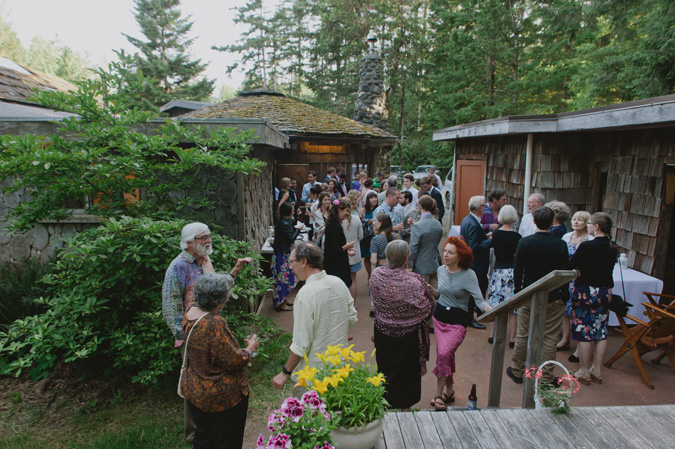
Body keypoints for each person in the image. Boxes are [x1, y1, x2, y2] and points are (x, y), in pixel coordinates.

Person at [162, 222, 251, 443]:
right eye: (203, 237)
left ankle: (210, 429)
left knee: (210, 380)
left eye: (209, 236)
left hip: (210, 332)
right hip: (192, 336)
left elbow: (216, 289)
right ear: (189, 243)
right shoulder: (177, 268)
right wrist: (185, 337)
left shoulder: (206, 259)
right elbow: (170, 307)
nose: (208, 240)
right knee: (195, 382)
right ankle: (195, 434)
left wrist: (234, 271)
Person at [181, 273, 260, 449]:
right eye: (225, 298)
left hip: (195, 389)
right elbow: (233, 360)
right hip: (219, 396)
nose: (226, 301)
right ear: (217, 300)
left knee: (203, 437)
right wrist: (250, 349)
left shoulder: (190, 312)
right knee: (227, 441)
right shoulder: (214, 323)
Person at [272, 242, 358, 390]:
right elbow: (352, 319)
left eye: (292, 262)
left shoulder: (306, 294)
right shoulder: (338, 282)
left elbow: (301, 344)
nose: (290, 267)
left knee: (312, 412)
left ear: (304, 261)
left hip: (313, 377)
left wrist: (285, 372)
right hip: (340, 369)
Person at [506, 206, 569, 386]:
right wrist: (564, 296)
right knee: (549, 337)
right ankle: (546, 376)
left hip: (529, 294)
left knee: (522, 334)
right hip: (553, 295)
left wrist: (518, 292)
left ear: (534, 221)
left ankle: (518, 370)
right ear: (552, 222)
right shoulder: (560, 244)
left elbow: (518, 271)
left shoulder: (525, 243)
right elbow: (564, 272)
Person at [369, 240, 434, 411]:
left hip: (383, 332)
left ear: (388, 256)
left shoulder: (376, 275)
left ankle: (385, 405)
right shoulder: (414, 281)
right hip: (408, 336)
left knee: (385, 368)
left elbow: (375, 299)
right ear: (406, 258)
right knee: (407, 373)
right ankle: (405, 409)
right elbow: (427, 308)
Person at [428, 237, 492, 411]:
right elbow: (441, 295)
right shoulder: (441, 270)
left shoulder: (469, 275)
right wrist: (432, 291)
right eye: (445, 251)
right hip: (439, 319)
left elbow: (479, 300)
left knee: (444, 353)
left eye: (450, 252)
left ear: (460, 256)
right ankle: (449, 391)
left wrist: (489, 309)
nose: (445, 254)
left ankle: (438, 395)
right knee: (446, 355)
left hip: (457, 323)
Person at [569, 212, 617, 385]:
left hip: (585, 291)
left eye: (589, 223)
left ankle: (583, 370)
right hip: (605, 292)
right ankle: (597, 369)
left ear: (596, 227)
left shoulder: (586, 246)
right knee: (601, 330)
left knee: (584, 331)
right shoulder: (613, 247)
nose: (588, 226)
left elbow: (571, 264)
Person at [486, 205, 521, 347]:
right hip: (512, 271)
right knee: (513, 306)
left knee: (494, 303)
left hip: (498, 271)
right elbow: (516, 254)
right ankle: (513, 338)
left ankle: (492, 334)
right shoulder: (517, 237)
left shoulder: (496, 234)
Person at [558, 211, 592, 353]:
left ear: (586, 224)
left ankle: (580, 345)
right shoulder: (566, 236)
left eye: (580, 220)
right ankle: (565, 339)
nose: (576, 222)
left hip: (581, 279)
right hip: (567, 278)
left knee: (579, 312)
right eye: (574, 219)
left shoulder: (590, 239)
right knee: (566, 310)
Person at [459, 195, 491, 330]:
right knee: (474, 291)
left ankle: (475, 312)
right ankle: (470, 318)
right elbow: (474, 247)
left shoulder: (468, 219)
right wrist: (490, 241)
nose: (485, 207)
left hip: (474, 263)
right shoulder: (472, 222)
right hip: (476, 263)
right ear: (479, 208)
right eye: (484, 205)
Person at [272, 202, 303, 311]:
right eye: (292, 210)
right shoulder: (283, 223)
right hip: (282, 254)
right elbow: (291, 238)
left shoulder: (283, 222)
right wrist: (298, 229)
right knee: (281, 279)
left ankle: (283, 299)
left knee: (284, 278)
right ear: (288, 212)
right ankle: (280, 303)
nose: (293, 212)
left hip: (281, 253)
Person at [409, 195, 443, 289]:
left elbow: (413, 248)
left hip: (421, 266)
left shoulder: (418, 226)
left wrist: (408, 263)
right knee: (433, 294)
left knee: (421, 295)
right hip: (434, 264)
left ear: (420, 206)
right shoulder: (437, 223)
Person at [323, 198, 356, 288]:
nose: (348, 214)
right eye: (346, 211)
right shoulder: (336, 227)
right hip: (337, 268)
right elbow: (334, 250)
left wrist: (346, 248)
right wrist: (347, 246)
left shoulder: (331, 224)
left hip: (331, 266)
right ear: (339, 210)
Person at [343, 190, 364, 299]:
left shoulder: (339, 220)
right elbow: (360, 236)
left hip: (342, 253)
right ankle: (353, 304)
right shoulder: (356, 219)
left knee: (342, 281)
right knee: (353, 280)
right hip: (355, 253)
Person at [360, 191, 379, 281]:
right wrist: (368, 221)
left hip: (377, 235)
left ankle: (377, 275)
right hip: (367, 237)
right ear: (368, 199)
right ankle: (370, 275)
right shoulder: (363, 210)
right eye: (371, 198)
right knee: (367, 257)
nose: (374, 199)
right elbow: (360, 224)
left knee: (377, 257)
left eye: (375, 197)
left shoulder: (379, 209)